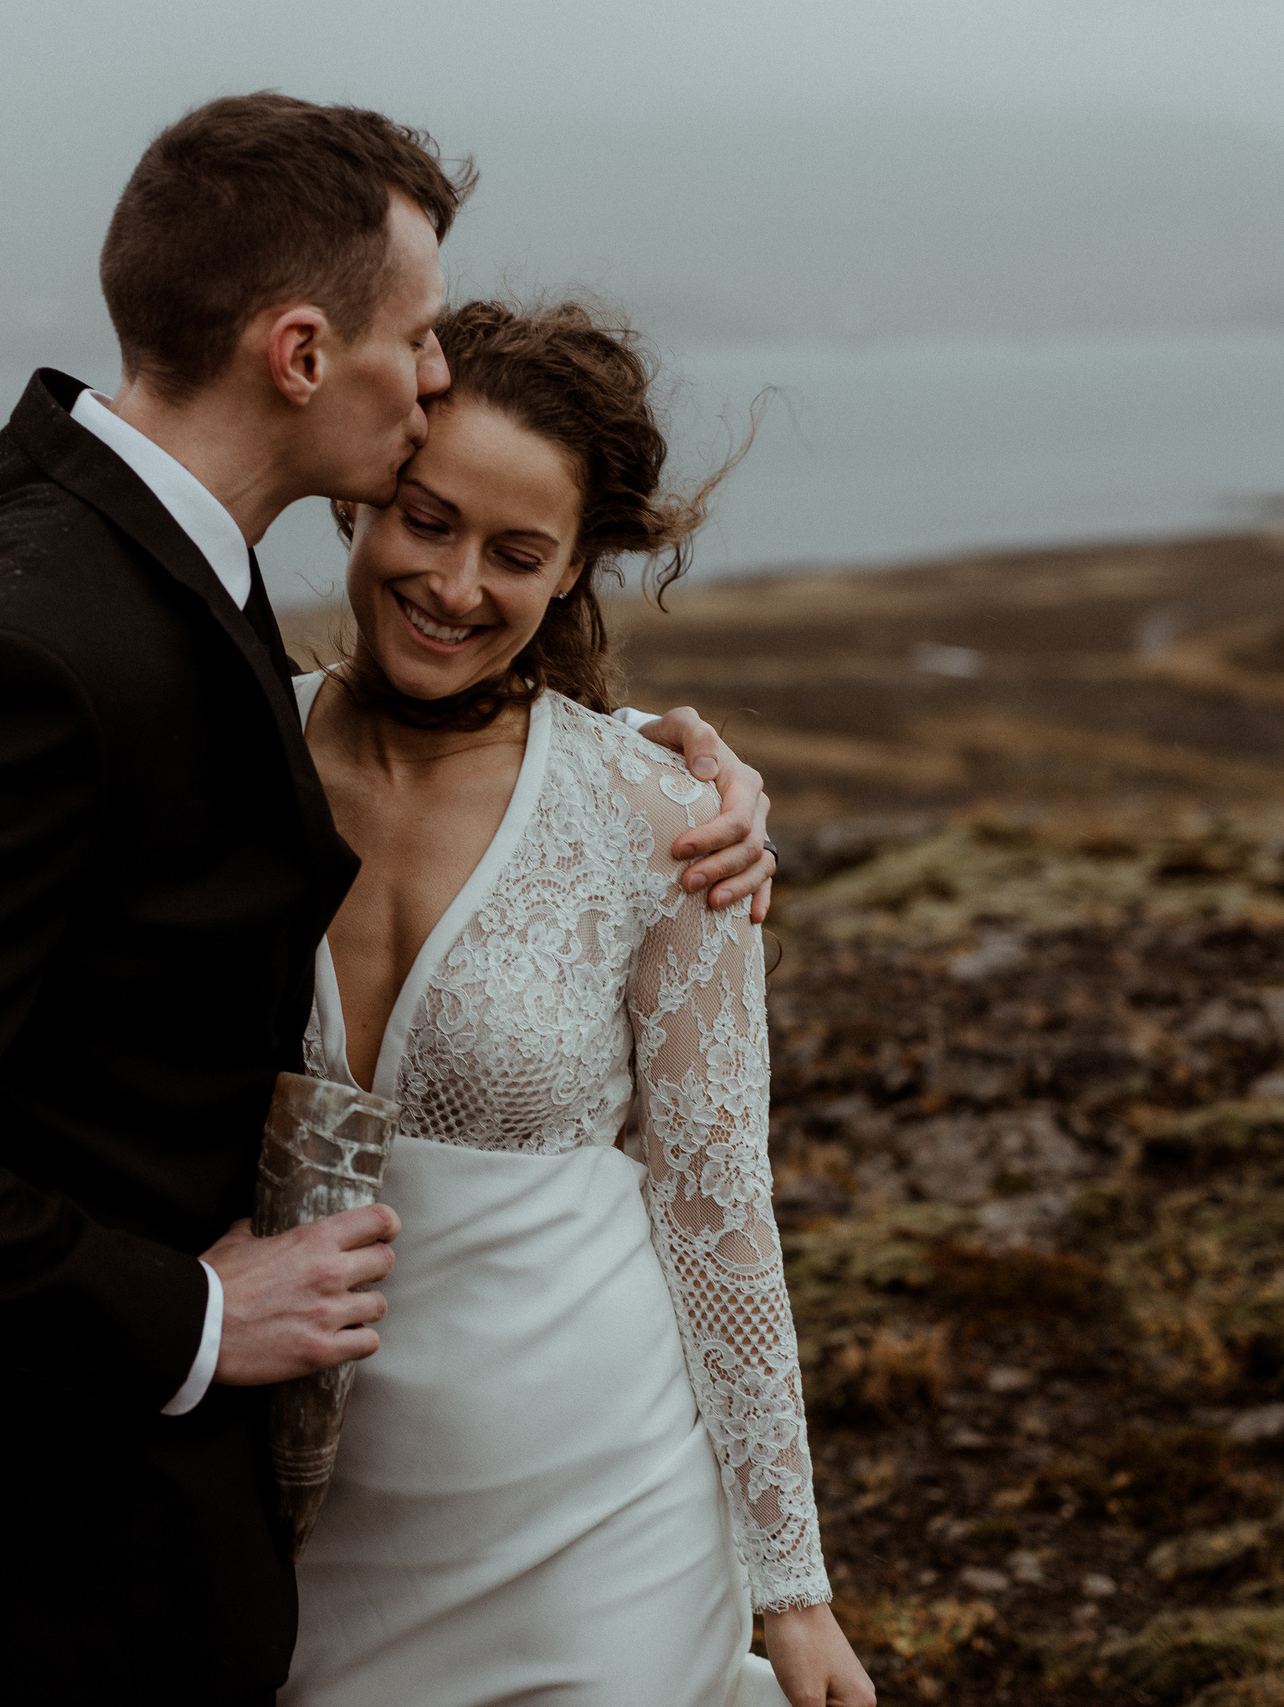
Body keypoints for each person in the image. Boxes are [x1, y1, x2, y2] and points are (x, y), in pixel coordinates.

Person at [0, 96, 776, 1705]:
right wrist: (195, 1318)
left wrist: (667, 772)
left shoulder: (132, 552)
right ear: (300, 352)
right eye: (416, 338)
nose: (431, 376)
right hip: (62, 1535)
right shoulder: (45, 625)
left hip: (359, 1511)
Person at [280, 300, 875, 1707]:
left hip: (597, 1518)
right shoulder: (225, 752)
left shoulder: (664, 821)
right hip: (301, 1528)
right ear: (363, 496)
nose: (455, 585)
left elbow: (721, 1213)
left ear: (572, 574)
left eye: (517, 553)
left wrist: (793, 1594)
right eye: (427, 521)